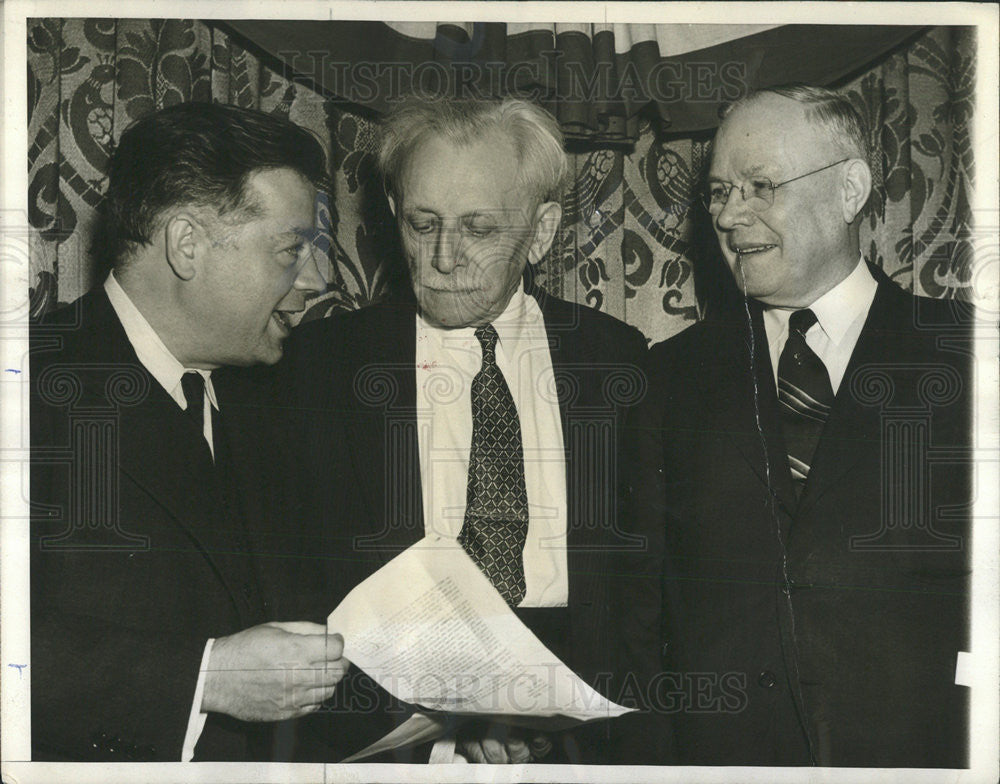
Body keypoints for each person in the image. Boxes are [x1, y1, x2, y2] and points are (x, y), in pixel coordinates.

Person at [278, 97, 648, 763]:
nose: (444, 258)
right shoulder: (319, 366)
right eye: (424, 224)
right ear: (395, 216)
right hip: (385, 736)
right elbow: (289, 582)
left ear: (541, 232)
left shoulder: (618, 359)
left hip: (583, 740)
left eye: (480, 229)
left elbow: (648, 589)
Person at [625, 84, 972, 767]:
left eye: (760, 185)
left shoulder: (970, 356)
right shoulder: (670, 377)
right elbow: (640, 614)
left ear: (849, 191)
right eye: (720, 191)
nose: (731, 215)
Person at [29, 102, 346, 762]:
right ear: (188, 245)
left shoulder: (276, 404)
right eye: (292, 250)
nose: (316, 281)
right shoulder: (25, 390)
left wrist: (445, 733)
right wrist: (204, 678)